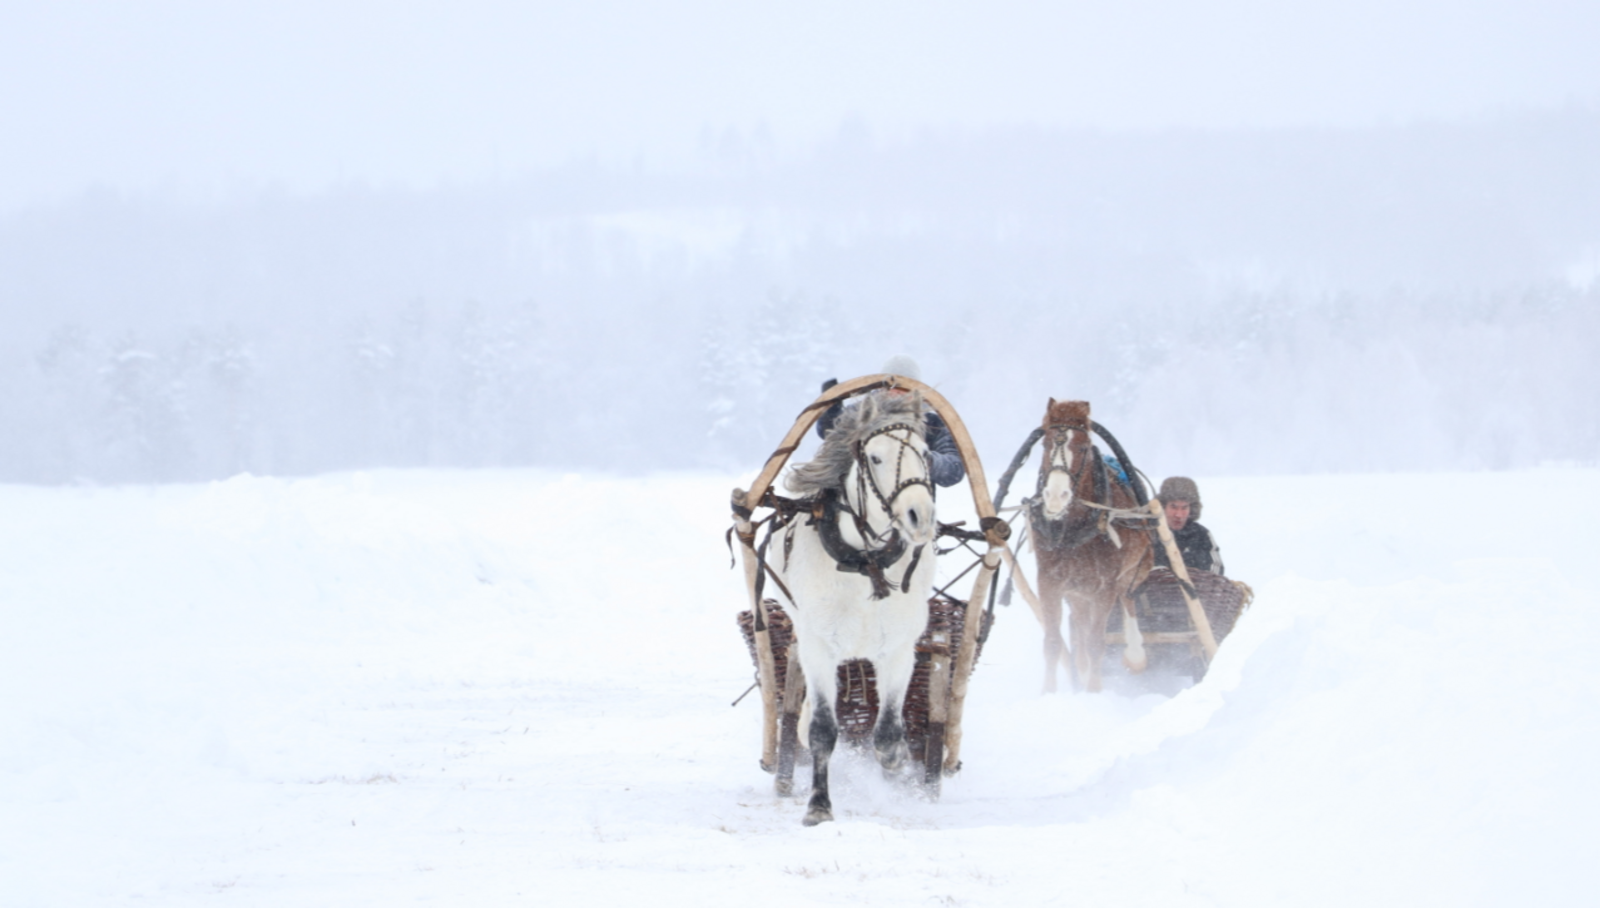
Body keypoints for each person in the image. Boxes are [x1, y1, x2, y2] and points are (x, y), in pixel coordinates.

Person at [815, 355, 965, 488]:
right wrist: (831, 408)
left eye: (905, 388)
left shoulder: (932, 424)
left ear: (916, 391)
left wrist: (923, 458)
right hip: (856, 509)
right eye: (891, 387)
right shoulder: (862, 414)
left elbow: (953, 471)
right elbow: (830, 433)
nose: (897, 393)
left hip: (912, 509)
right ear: (880, 387)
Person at [1153, 476, 1224, 575]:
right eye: (1173, 507)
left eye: (1184, 508)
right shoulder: (1149, 533)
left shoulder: (1202, 535)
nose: (1178, 514)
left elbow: (1216, 569)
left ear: (1192, 509)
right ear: (1163, 506)